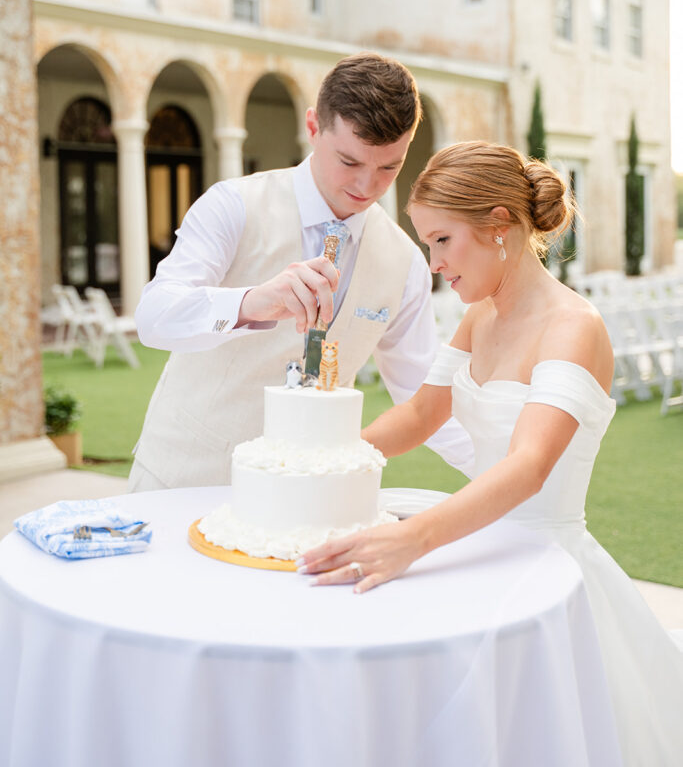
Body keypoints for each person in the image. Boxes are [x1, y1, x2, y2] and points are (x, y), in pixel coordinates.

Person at [297, 140, 683, 766]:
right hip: (479, 544)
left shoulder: (573, 328)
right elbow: (422, 414)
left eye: (442, 241)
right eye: (427, 244)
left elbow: (529, 467)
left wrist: (413, 539)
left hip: (546, 562)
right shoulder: (478, 317)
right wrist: (316, 456)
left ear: (499, 224)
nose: (433, 262)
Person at [129, 53, 473, 491]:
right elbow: (154, 317)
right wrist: (252, 302)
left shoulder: (405, 263)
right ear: (313, 128)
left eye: (390, 167)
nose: (367, 187)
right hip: (184, 482)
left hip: (308, 499)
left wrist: (513, 477)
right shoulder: (233, 205)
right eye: (349, 162)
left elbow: (424, 395)